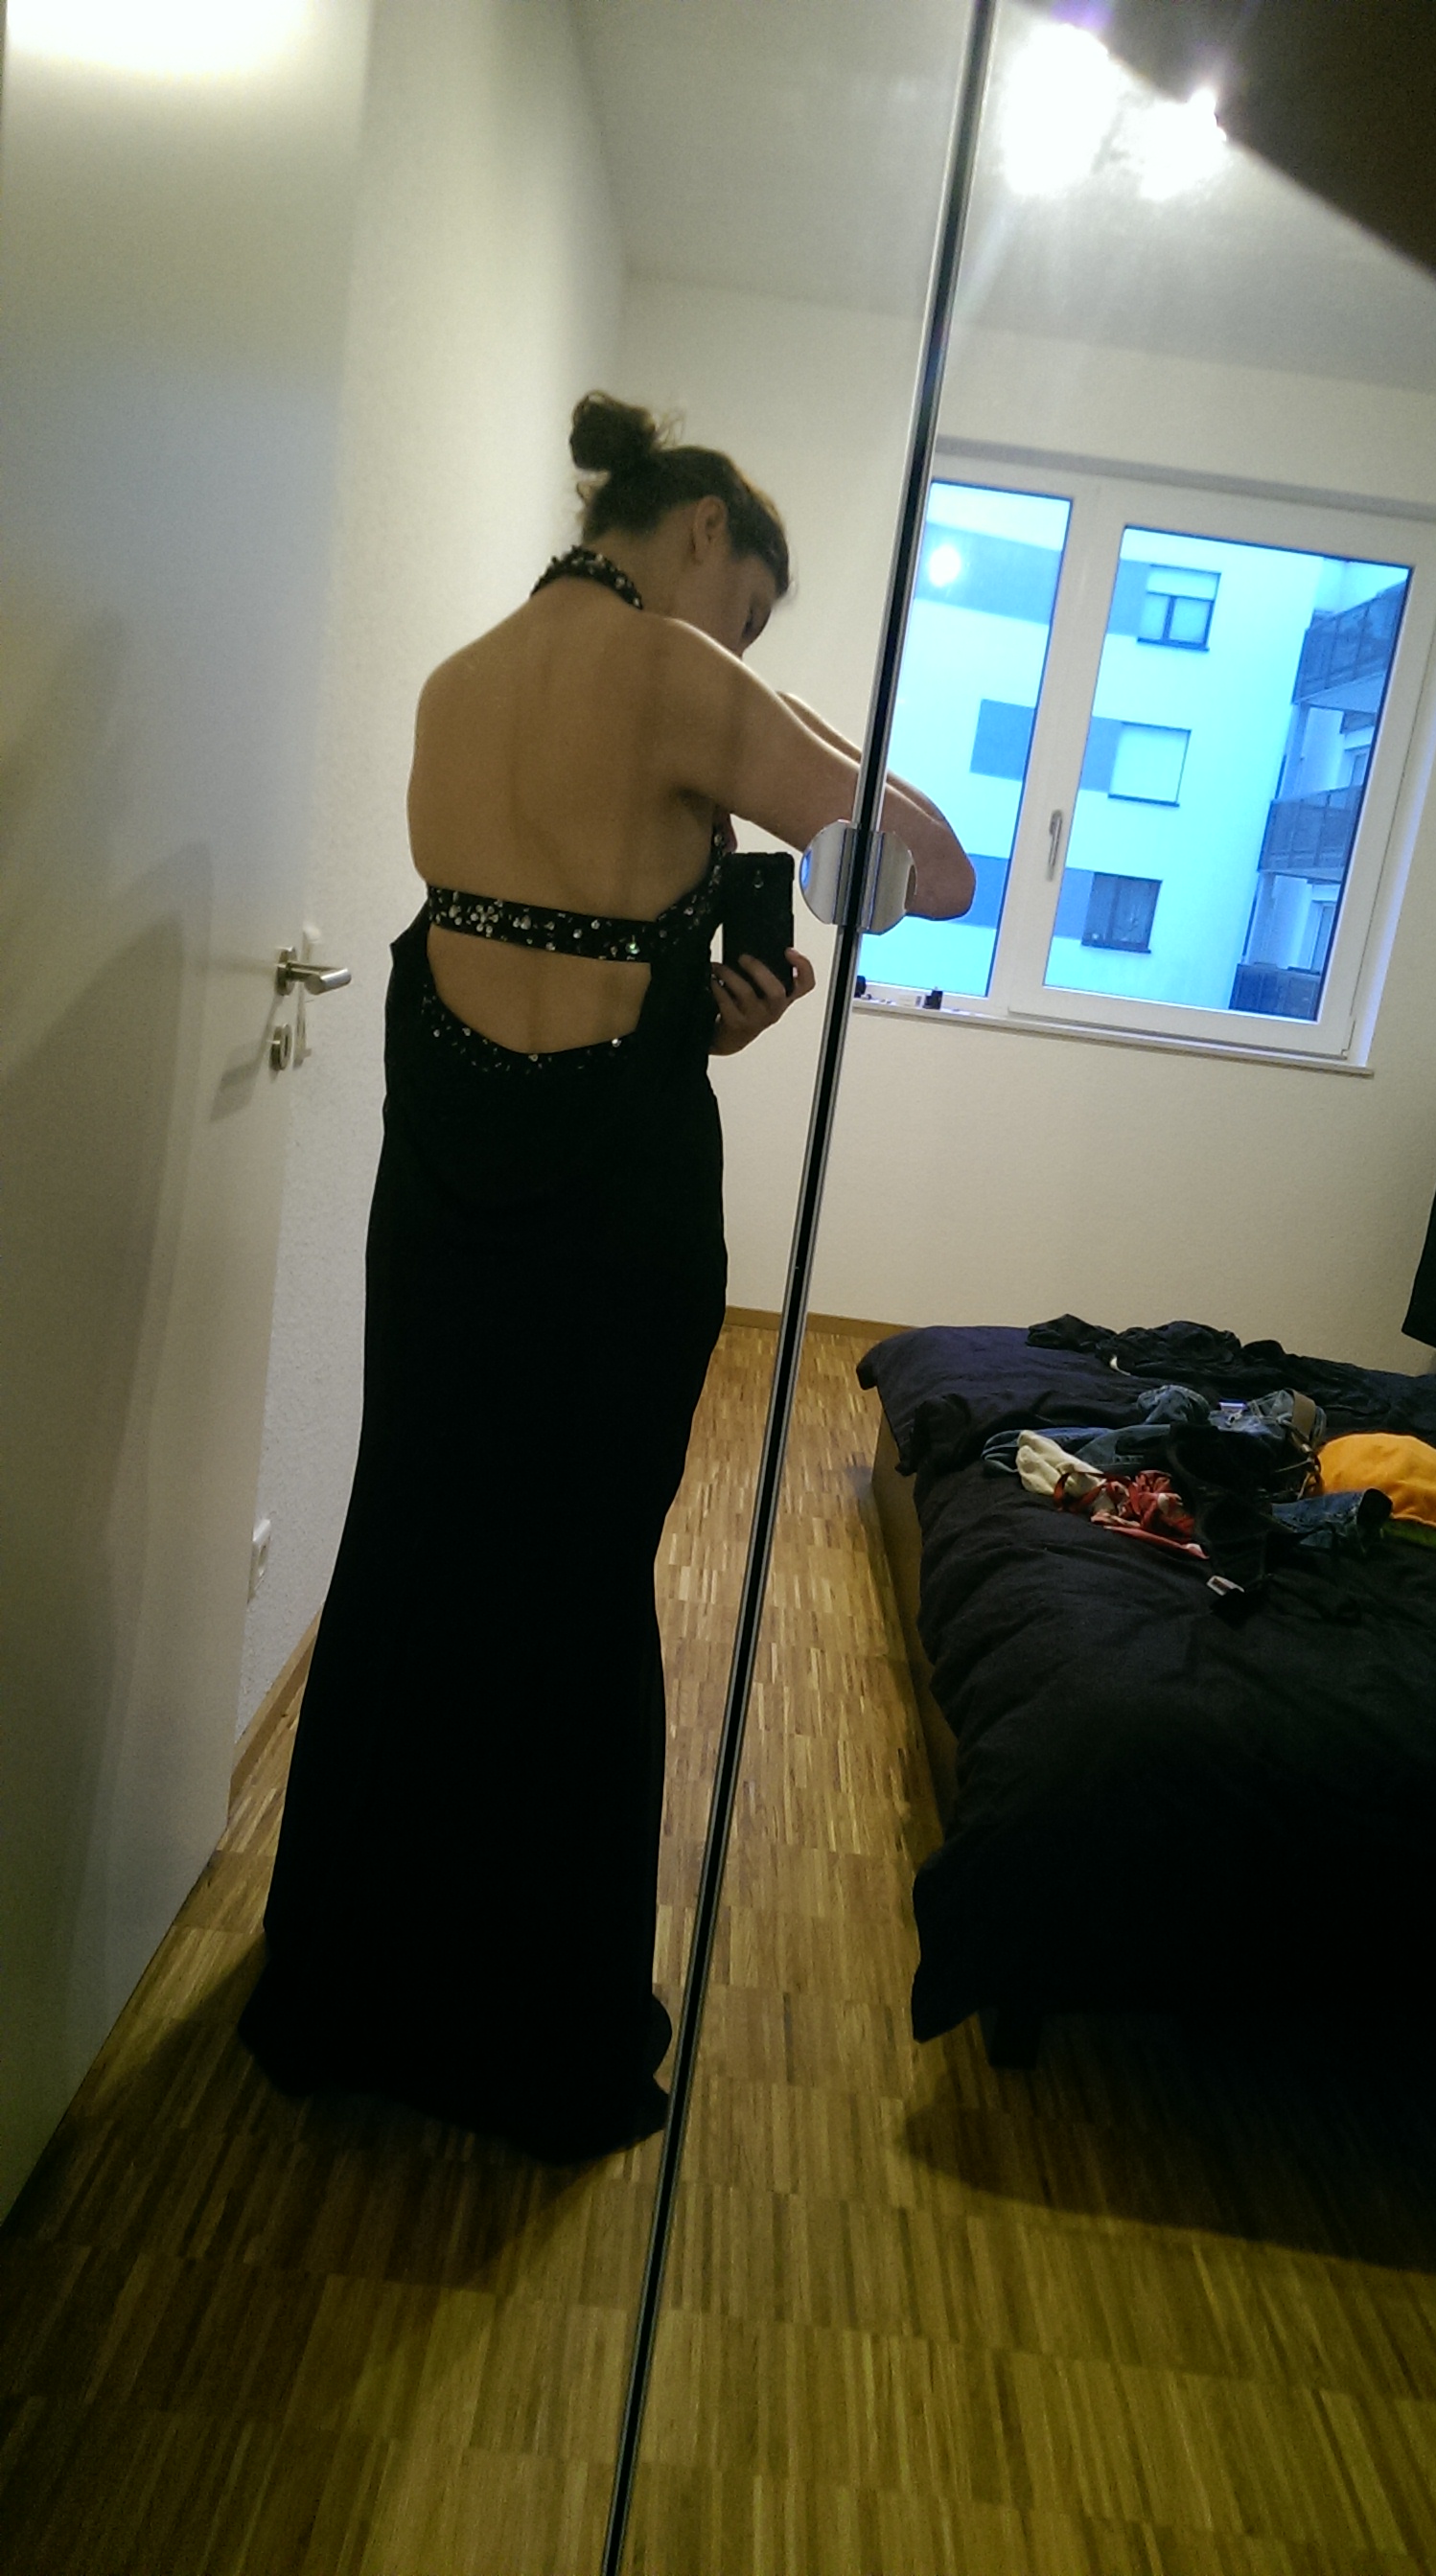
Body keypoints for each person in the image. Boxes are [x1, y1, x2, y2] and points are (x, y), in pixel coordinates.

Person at [239, 392, 971, 2161]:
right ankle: (525, 2031)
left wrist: (698, 1014)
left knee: (414, 1545)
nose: (740, 650)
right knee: (570, 1581)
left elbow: (531, 968)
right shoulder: (674, 674)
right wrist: (759, 703)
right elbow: (931, 869)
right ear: (702, 528)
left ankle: (351, 1987)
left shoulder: (453, 683)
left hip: (439, 1194)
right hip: (611, 1220)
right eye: (750, 612)